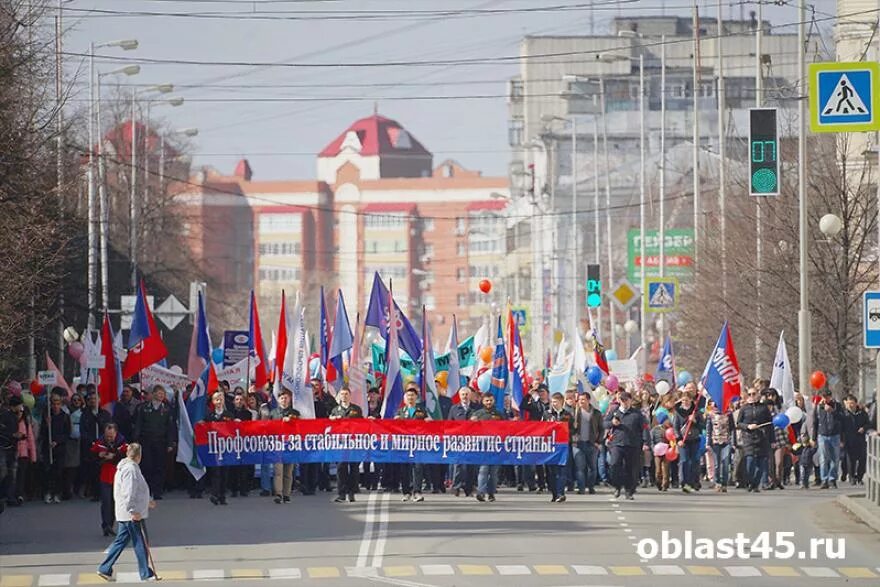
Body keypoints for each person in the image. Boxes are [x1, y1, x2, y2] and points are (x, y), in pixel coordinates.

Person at [97, 443, 157, 582]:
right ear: (139, 456)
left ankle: (104, 568)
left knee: (121, 541)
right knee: (140, 542)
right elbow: (129, 492)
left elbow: (137, 490)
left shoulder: (126, 467)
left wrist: (147, 501)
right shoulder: (130, 470)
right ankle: (145, 573)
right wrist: (133, 510)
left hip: (126, 512)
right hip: (131, 513)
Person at [604, 391, 650, 500]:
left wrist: (646, 442)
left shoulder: (637, 414)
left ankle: (629, 490)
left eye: (626, 400)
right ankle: (617, 486)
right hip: (617, 443)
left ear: (630, 400)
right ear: (619, 401)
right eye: (622, 400)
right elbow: (604, 423)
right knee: (614, 464)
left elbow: (644, 428)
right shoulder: (614, 412)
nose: (624, 402)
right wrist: (612, 423)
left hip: (632, 444)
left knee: (631, 468)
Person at [134, 386, 176, 500]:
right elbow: (138, 425)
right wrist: (136, 440)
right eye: (158, 393)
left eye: (162, 394)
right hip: (146, 440)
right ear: (153, 394)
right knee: (147, 466)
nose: (161, 396)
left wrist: (170, 443)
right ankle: (147, 490)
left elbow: (170, 428)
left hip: (161, 441)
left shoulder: (167, 409)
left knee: (160, 466)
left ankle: (157, 491)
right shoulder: (143, 408)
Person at [91, 423, 128, 536]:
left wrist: (114, 456)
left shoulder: (122, 442)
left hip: (118, 476)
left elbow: (126, 456)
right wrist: (99, 455)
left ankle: (111, 524)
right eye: (107, 436)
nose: (109, 438)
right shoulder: (100, 442)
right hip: (104, 475)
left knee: (114, 502)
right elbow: (91, 454)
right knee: (106, 501)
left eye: (111, 436)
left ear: (116, 433)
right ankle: (106, 525)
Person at [470, 392, 506, 502]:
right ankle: (481, 493)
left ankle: (491, 493)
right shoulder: (477, 414)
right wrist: (472, 422)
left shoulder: (500, 414)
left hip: (496, 446)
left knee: (494, 473)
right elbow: (469, 429)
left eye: (490, 400)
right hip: (482, 446)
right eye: (486, 400)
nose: (489, 402)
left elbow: (506, 428)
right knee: (483, 470)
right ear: (483, 401)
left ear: (493, 401)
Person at [395, 388, 429, 502]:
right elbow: (394, 426)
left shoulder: (422, 410)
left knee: (418, 467)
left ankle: (417, 491)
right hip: (404, 443)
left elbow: (429, 423)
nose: (410, 397)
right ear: (405, 398)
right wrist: (396, 421)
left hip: (418, 443)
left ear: (416, 397)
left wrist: (429, 421)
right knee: (405, 468)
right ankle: (406, 492)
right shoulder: (400, 411)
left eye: (412, 395)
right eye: (408, 395)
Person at [329, 387, 363, 503]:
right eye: (342, 394)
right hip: (340, 443)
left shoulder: (356, 409)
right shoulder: (335, 410)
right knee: (341, 468)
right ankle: (341, 493)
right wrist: (332, 420)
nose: (344, 396)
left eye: (346, 394)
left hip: (353, 443)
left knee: (354, 468)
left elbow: (362, 424)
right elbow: (330, 427)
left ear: (350, 395)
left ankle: (352, 492)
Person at [736, 388, 772, 492]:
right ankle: (750, 481)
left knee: (761, 463)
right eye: (750, 394)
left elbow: (770, 424)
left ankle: (756, 485)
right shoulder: (744, 408)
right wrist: (748, 426)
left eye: (754, 394)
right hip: (749, 438)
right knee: (750, 461)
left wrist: (771, 439)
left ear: (758, 395)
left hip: (762, 438)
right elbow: (739, 423)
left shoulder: (764, 408)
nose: (752, 396)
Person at [270, 389, 300, 504]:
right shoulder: (273, 413)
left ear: (290, 399)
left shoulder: (295, 412)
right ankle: (278, 493)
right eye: (282, 398)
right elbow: (268, 427)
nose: (284, 400)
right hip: (277, 444)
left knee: (288, 471)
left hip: (290, 445)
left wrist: (292, 421)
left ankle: (286, 494)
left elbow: (300, 426)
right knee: (278, 470)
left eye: (286, 398)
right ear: (278, 400)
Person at [81, 392, 113, 501]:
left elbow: (109, 429)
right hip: (91, 446)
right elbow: (83, 430)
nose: (93, 401)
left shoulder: (105, 414)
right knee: (93, 470)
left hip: (103, 445)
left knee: (103, 470)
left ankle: (105, 493)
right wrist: (91, 442)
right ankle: (95, 493)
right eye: (91, 399)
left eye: (95, 398)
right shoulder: (85, 414)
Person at [810, 389, 844, 489]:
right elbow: (815, 422)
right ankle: (824, 479)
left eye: (828, 396)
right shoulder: (818, 407)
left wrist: (832, 411)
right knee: (823, 458)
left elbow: (843, 419)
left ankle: (832, 479)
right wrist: (813, 438)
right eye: (824, 397)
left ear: (831, 396)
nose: (826, 399)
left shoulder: (837, 406)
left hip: (835, 435)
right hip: (822, 435)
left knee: (835, 458)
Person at [543, 392, 574, 503]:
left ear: (561, 401)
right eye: (552, 402)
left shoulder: (567, 415)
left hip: (563, 446)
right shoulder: (547, 414)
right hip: (550, 446)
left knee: (562, 470)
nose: (553, 404)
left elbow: (573, 430)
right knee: (551, 471)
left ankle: (561, 493)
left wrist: (564, 429)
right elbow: (541, 428)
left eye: (555, 401)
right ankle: (554, 493)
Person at [42, 390, 71, 504]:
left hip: (60, 448)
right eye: (53, 403)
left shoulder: (65, 416)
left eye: (57, 402)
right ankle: (48, 492)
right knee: (48, 470)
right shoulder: (47, 415)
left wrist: (57, 441)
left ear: (61, 403)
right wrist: (46, 424)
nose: (55, 405)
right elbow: (42, 433)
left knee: (59, 471)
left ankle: (57, 493)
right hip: (47, 447)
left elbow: (67, 433)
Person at [204, 391, 233, 505]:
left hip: (226, 447)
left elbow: (233, 430)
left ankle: (222, 495)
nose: (219, 401)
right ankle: (214, 494)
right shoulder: (209, 416)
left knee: (224, 472)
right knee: (216, 472)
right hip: (214, 448)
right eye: (216, 399)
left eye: (221, 399)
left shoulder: (229, 415)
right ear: (213, 402)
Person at [673, 391, 704, 493]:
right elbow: (676, 427)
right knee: (684, 461)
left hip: (694, 440)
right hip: (683, 441)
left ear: (691, 400)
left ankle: (694, 481)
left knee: (695, 461)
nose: (685, 402)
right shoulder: (678, 412)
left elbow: (702, 427)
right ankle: (684, 482)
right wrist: (678, 439)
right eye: (683, 400)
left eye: (687, 400)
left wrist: (695, 421)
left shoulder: (697, 412)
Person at [572, 392, 603, 495]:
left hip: (591, 444)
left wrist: (598, 442)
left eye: (583, 399)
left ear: (588, 400)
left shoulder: (596, 413)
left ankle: (590, 487)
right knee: (580, 468)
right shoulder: (575, 413)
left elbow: (601, 429)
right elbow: (569, 429)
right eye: (580, 399)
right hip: (578, 444)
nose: (581, 401)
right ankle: (581, 488)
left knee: (592, 468)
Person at [449, 386, 477, 497]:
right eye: (463, 394)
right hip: (459, 440)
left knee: (471, 465)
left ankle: (469, 488)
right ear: (460, 396)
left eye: (467, 394)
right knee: (458, 464)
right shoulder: (454, 408)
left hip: (473, 440)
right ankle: (456, 487)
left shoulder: (476, 408)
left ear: (470, 395)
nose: (465, 396)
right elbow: (449, 424)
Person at [10, 396, 36, 506]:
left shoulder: (26, 422)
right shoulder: (9, 420)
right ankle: (11, 495)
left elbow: (31, 439)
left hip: (23, 453)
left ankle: (19, 494)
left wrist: (33, 456)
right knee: (12, 475)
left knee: (21, 475)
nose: (19, 413)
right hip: (12, 452)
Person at [706, 400, 734, 492]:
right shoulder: (711, 415)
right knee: (717, 464)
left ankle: (724, 483)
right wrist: (708, 443)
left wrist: (733, 443)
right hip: (715, 441)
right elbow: (708, 430)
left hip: (726, 441)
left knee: (726, 463)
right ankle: (717, 482)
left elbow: (732, 429)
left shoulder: (729, 414)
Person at [229, 393, 253, 497]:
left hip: (243, 442)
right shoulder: (229, 413)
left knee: (244, 467)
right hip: (232, 442)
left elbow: (249, 426)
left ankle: (244, 489)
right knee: (233, 467)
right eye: (237, 399)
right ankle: (234, 489)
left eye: (241, 399)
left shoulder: (248, 413)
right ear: (234, 401)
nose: (239, 401)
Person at [842, 395, 868, 486]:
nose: (850, 405)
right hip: (849, 440)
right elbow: (841, 427)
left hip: (860, 439)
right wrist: (842, 440)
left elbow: (868, 423)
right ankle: (852, 477)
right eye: (849, 403)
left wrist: (863, 428)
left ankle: (860, 477)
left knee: (862, 460)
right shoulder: (844, 414)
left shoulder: (862, 413)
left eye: (852, 403)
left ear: (856, 403)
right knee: (850, 461)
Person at [651, 411, 673, 492]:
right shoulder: (655, 430)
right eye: (666, 420)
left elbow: (672, 439)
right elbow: (651, 440)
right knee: (658, 469)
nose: (668, 421)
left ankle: (665, 484)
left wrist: (671, 447)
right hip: (657, 452)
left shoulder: (670, 429)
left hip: (667, 451)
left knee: (666, 468)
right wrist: (653, 448)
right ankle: (658, 481)